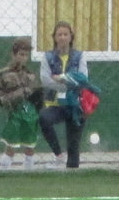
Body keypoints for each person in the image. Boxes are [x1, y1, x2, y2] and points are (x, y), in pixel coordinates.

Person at [38, 21, 91, 169]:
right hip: (55, 104)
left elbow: (82, 79)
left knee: (74, 145)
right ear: (54, 37)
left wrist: (61, 78)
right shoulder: (47, 57)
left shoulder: (79, 56)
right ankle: (58, 155)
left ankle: (72, 173)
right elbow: (46, 80)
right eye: (59, 34)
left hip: (75, 104)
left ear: (71, 37)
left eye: (65, 34)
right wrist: (67, 83)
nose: (62, 37)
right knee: (44, 118)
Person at [0, 36, 42, 169]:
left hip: (30, 114)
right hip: (14, 112)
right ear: (13, 54)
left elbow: (36, 95)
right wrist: (12, 98)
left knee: (30, 144)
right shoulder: (3, 74)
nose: (23, 58)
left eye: (26, 55)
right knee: (11, 144)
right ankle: (4, 168)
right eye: (20, 54)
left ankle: (28, 169)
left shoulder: (30, 75)